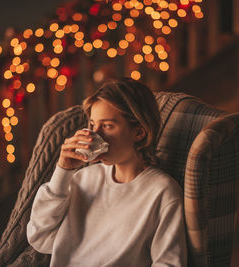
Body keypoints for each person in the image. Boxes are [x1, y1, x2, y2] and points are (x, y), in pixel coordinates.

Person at [27, 78, 187, 267]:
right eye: (93, 124)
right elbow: (40, 238)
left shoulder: (162, 191)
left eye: (108, 126)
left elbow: (170, 262)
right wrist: (62, 172)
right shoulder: (83, 179)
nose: (95, 135)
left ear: (139, 132)